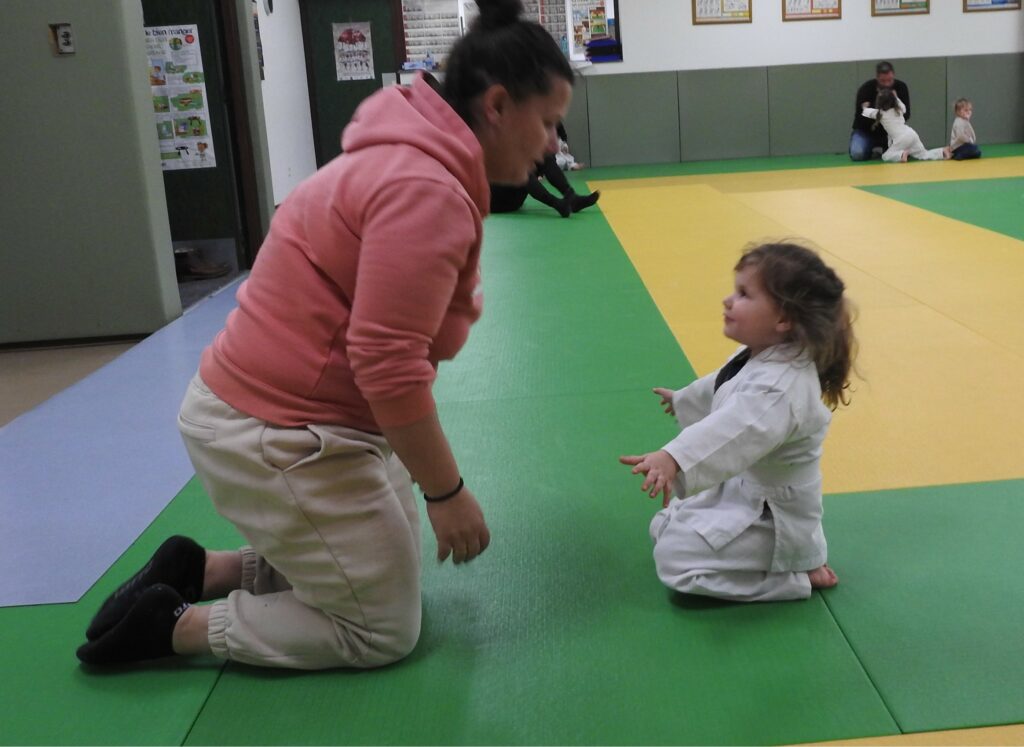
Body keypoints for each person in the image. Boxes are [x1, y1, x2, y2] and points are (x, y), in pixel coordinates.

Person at [76, 0, 575, 669]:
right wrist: (447, 492)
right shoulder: (425, 189)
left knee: (390, 565)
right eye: (547, 122)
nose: (552, 144)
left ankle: (208, 570)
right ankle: (175, 626)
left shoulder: (411, 158)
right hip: (275, 430)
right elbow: (388, 364)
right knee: (382, 628)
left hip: (303, 417)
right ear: (497, 105)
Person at [620, 242, 857, 602]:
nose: (728, 301)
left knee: (674, 560)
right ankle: (791, 561)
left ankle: (794, 577)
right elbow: (724, 384)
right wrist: (685, 400)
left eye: (744, 294)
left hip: (774, 517)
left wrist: (674, 457)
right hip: (746, 490)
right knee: (665, 523)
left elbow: (733, 430)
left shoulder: (780, 388)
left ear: (783, 319)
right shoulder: (760, 355)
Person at [489, 149, 600, 218]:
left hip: (511, 194)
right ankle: (557, 204)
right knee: (520, 169)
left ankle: (572, 198)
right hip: (496, 200)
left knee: (544, 157)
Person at [862, 89, 950, 162]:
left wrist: (864, 107)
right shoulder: (899, 109)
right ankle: (942, 152)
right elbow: (903, 106)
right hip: (912, 134)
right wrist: (896, 97)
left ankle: (901, 155)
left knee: (885, 156)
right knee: (923, 154)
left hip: (901, 139)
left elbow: (867, 112)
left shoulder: (880, 114)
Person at [849, 61, 911, 162]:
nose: (887, 84)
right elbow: (860, 119)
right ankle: (872, 152)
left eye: (890, 80)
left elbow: (906, 114)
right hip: (867, 131)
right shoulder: (866, 89)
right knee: (857, 154)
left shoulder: (901, 87)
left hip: (891, 132)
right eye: (883, 81)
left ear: (893, 76)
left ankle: (889, 149)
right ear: (877, 78)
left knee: (904, 151)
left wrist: (895, 101)